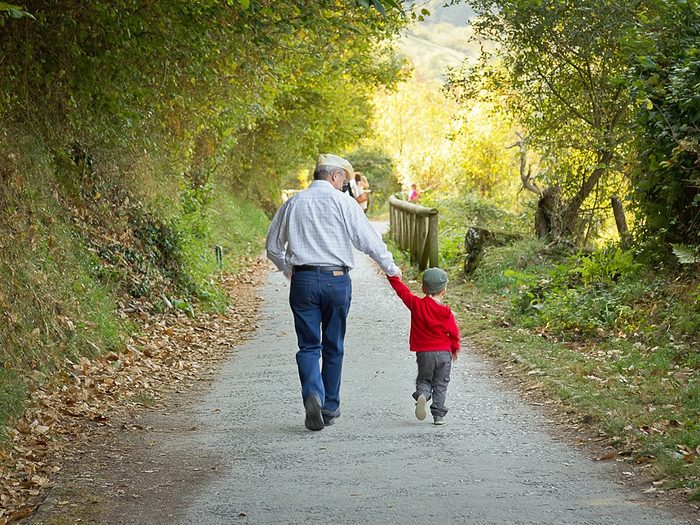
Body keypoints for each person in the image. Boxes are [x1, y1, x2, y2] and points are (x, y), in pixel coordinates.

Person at [266, 153, 402, 431]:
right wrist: (391, 268)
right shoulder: (344, 203)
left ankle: (312, 394)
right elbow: (369, 241)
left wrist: (288, 269)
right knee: (333, 344)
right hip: (337, 280)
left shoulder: (293, 203)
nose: (344, 184)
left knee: (308, 345)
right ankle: (329, 406)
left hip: (303, 280)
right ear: (335, 176)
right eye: (344, 179)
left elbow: (272, 247)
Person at [387, 267, 460, 425]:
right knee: (441, 383)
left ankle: (422, 394)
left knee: (425, 379)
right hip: (443, 353)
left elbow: (402, 291)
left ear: (423, 288)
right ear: (444, 290)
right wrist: (453, 349)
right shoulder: (446, 312)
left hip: (424, 353)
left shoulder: (416, 305)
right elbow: (454, 333)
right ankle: (438, 416)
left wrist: (391, 274)